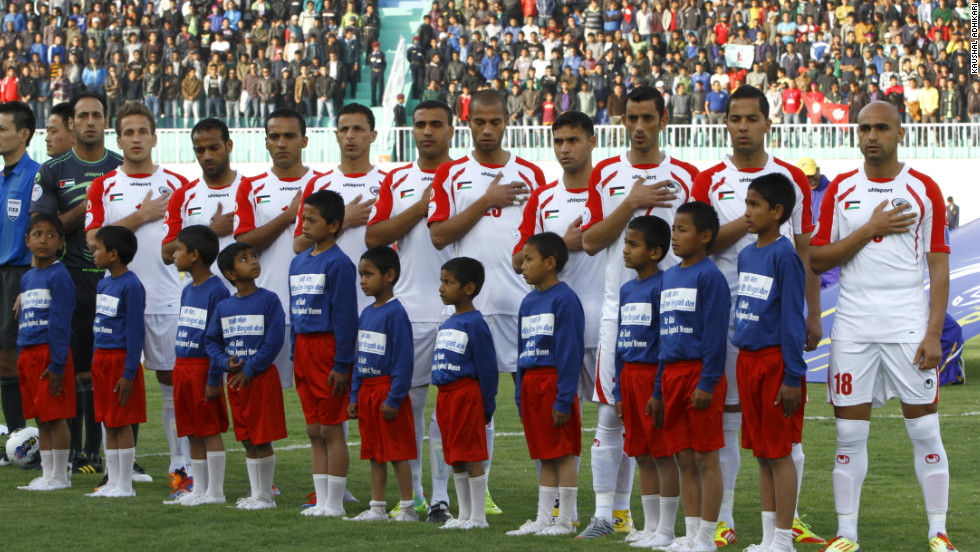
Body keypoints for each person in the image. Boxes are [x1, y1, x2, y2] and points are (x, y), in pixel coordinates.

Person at [810, 101, 957, 552]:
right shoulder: (841, 190)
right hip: (853, 327)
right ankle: (847, 534)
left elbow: (938, 266)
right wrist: (870, 227)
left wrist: (934, 332)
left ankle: (938, 531)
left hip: (909, 328)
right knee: (849, 434)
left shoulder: (923, 188)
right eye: (864, 128)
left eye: (881, 128)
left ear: (900, 134)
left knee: (925, 431)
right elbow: (817, 259)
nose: (871, 136)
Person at [691, 85, 823, 546]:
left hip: (774, 328)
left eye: (751, 118)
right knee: (733, 421)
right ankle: (725, 520)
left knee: (780, 436)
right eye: (735, 118)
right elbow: (699, 243)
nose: (743, 126)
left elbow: (804, 250)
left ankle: (785, 527)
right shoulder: (709, 180)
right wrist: (742, 223)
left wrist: (813, 313)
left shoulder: (791, 179)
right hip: (728, 319)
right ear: (726, 123)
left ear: (768, 122)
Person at [578, 86, 697, 540]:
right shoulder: (607, 173)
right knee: (611, 415)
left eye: (648, 117)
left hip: (670, 316)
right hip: (618, 313)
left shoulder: (686, 175)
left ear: (663, 119)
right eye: (632, 118)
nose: (640, 126)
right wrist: (630, 201)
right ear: (622, 120)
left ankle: (669, 525)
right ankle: (605, 516)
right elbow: (589, 242)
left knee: (665, 421)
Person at [428, 89, 548, 516]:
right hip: (465, 315)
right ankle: (443, 497)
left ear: (507, 122)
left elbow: (538, 240)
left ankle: (548, 504)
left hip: (521, 308)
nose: (487, 130)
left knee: (532, 405)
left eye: (495, 122)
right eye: (479, 122)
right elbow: (439, 235)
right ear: (468, 123)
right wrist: (486, 201)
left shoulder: (532, 174)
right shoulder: (451, 175)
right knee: (454, 403)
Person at [83, 102, 191, 496]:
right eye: (127, 132)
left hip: (165, 297)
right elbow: (94, 240)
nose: (135, 139)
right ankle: (118, 475)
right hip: (116, 301)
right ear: (119, 138)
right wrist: (141, 216)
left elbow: (190, 241)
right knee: (115, 385)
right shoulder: (104, 186)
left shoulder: (177, 184)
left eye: (142, 131)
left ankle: (181, 470)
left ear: (154, 136)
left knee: (170, 383)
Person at [365, 100, 455, 522]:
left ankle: (447, 496)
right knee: (411, 407)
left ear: (452, 130)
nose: (427, 131)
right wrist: (419, 208)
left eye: (436, 124)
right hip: (413, 310)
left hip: (460, 311)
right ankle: (415, 495)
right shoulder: (398, 179)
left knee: (457, 405)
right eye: (420, 124)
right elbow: (375, 236)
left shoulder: (465, 176)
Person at [30, 92, 123, 478]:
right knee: (72, 370)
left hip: (113, 281)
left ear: (106, 122)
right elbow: (43, 228)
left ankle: (107, 455)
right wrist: (88, 204)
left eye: (96, 116)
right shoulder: (52, 171)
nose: (89, 122)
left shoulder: (122, 168)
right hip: (69, 281)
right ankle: (76, 454)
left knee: (111, 369)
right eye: (82, 116)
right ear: (72, 124)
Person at [732, 174, 807, 552]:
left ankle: (783, 539)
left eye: (755, 204)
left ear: (777, 212)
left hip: (776, 364)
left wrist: (793, 375)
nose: (747, 211)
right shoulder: (747, 254)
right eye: (746, 203)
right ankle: (767, 539)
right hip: (746, 362)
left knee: (779, 453)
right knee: (761, 454)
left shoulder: (784, 255)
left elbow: (793, 318)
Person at [651, 201, 730, 552]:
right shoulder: (668, 276)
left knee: (704, 457)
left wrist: (708, 382)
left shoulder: (709, 276)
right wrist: (658, 389)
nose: (675, 236)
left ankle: (707, 537)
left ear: (705, 236)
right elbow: (662, 339)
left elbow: (715, 335)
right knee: (682, 457)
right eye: (673, 230)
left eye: (683, 230)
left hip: (699, 374)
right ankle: (690, 532)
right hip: (670, 375)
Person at [516, 111, 604, 411]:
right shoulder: (542, 198)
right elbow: (518, 261)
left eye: (573, 140)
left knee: (615, 423)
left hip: (606, 322)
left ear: (592, 142)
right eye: (558, 141)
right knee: (554, 423)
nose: (564, 148)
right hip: (553, 327)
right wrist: (561, 245)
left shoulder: (612, 192)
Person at [235, 108, 319, 389]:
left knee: (324, 395)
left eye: (290, 136)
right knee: (259, 394)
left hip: (317, 310)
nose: (282, 143)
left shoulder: (323, 183)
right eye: (275, 136)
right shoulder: (250, 186)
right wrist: (288, 215)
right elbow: (244, 243)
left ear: (304, 141)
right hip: (267, 308)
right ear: (267, 142)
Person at [508, 232, 584, 536]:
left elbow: (569, 352)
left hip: (553, 383)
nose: (522, 266)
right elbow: (521, 350)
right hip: (531, 385)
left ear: (550, 263)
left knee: (563, 452)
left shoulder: (565, 299)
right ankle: (543, 518)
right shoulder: (528, 301)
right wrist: (518, 393)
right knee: (544, 452)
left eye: (529, 259)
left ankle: (565, 520)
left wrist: (564, 398)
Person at [289, 189, 359, 517]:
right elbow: (296, 312)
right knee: (313, 429)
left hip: (328, 348)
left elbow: (345, 317)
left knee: (331, 428)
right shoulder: (298, 262)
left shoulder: (340, 264)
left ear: (332, 225)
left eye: (312, 219)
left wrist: (343, 363)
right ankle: (321, 501)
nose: (304, 224)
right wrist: (294, 352)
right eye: (303, 218)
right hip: (304, 349)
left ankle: (335, 503)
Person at [612, 215, 681, 549]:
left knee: (662, 453)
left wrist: (658, 388)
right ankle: (650, 525)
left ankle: (666, 528)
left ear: (655, 252)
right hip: (629, 378)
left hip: (653, 377)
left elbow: (666, 340)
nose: (625, 250)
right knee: (640, 453)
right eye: (625, 243)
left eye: (633, 244)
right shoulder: (627, 289)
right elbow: (620, 342)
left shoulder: (664, 285)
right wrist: (617, 390)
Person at [205, 242, 287, 510]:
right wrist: (224, 363)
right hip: (235, 381)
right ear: (230, 273)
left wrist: (250, 369)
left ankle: (266, 496)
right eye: (244, 258)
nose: (253, 261)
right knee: (246, 438)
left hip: (261, 379)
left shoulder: (269, 300)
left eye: (254, 256)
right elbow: (211, 341)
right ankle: (256, 494)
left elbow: (274, 341)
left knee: (262, 437)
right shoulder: (224, 306)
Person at [343, 246, 419, 525]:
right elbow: (359, 357)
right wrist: (354, 395)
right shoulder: (366, 314)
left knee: (397, 452)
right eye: (360, 275)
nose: (362, 280)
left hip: (387, 391)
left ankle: (408, 508)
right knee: (374, 452)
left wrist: (395, 398)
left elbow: (403, 361)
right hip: (367, 392)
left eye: (368, 274)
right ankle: (377, 507)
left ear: (389, 275)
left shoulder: (395, 314)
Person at [293, 103, 383, 314]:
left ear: (373, 135)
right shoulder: (318, 185)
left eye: (358, 129)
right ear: (336, 135)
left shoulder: (389, 183)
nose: (350, 135)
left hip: (376, 304)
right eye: (344, 129)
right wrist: (344, 220)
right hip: (326, 305)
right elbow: (298, 245)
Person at [430, 257, 499, 529]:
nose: (441, 288)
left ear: (468, 287)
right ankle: (463, 516)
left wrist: (486, 404)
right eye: (441, 282)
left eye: (448, 282)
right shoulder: (448, 321)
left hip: (466, 395)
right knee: (455, 456)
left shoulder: (475, 323)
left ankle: (479, 517)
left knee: (471, 456)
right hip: (446, 396)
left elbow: (488, 368)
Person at [165, 225, 231, 506]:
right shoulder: (186, 289)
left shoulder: (216, 290)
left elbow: (219, 338)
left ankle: (215, 491)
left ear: (194, 255)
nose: (174, 253)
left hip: (204, 367)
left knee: (209, 429)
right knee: (191, 430)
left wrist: (214, 378)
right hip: (183, 366)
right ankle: (199, 488)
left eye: (178, 249)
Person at [14, 213, 75, 491]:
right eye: (37, 234)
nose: (43, 240)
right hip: (28, 354)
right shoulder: (27, 278)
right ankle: (47, 473)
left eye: (51, 235)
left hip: (50, 355)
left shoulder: (59, 275)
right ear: (27, 240)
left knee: (55, 415)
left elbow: (61, 321)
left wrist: (58, 362)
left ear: (60, 242)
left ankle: (60, 475)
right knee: (41, 416)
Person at [85, 226, 146, 499]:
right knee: (107, 422)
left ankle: (125, 484)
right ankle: (112, 481)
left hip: (120, 362)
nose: (93, 252)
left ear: (113, 254)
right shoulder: (103, 283)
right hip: (101, 360)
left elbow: (135, 332)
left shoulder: (131, 285)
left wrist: (129, 372)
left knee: (121, 423)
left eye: (97, 248)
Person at [0, 101, 42, 462]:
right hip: (1, 274)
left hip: (19, 275)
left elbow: (38, 233)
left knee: (26, 358)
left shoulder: (34, 176)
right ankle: (17, 439)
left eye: (2, 129)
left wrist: (30, 282)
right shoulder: (2, 175)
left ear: (24, 134)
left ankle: (44, 439)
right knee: (3, 358)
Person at [163, 118, 248, 291]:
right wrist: (211, 231)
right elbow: (166, 254)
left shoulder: (251, 190)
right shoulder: (182, 196)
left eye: (213, 148)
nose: (207, 156)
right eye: (200, 150)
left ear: (229, 146)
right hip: (198, 302)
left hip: (244, 301)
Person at [796, 157, 838, 289]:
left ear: (818, 170)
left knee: (833, 297)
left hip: (831, 256)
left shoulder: (833, 191)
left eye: (811, 174)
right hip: (808, 257)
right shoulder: (799, 194)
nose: (809, 179)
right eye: (805, 176)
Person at [368, 41, 386, 107]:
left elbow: (384, 64)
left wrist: (381, 70)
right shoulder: (370, 55)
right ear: (373, 48)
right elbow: (370, 63)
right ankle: (373, 103)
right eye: (375, 47)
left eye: (377, 47)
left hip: (380, 72)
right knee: (373, 88)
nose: (376, 48)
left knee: (381, 88)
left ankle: (381, 102)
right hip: (373, 73)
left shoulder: (382, 54)